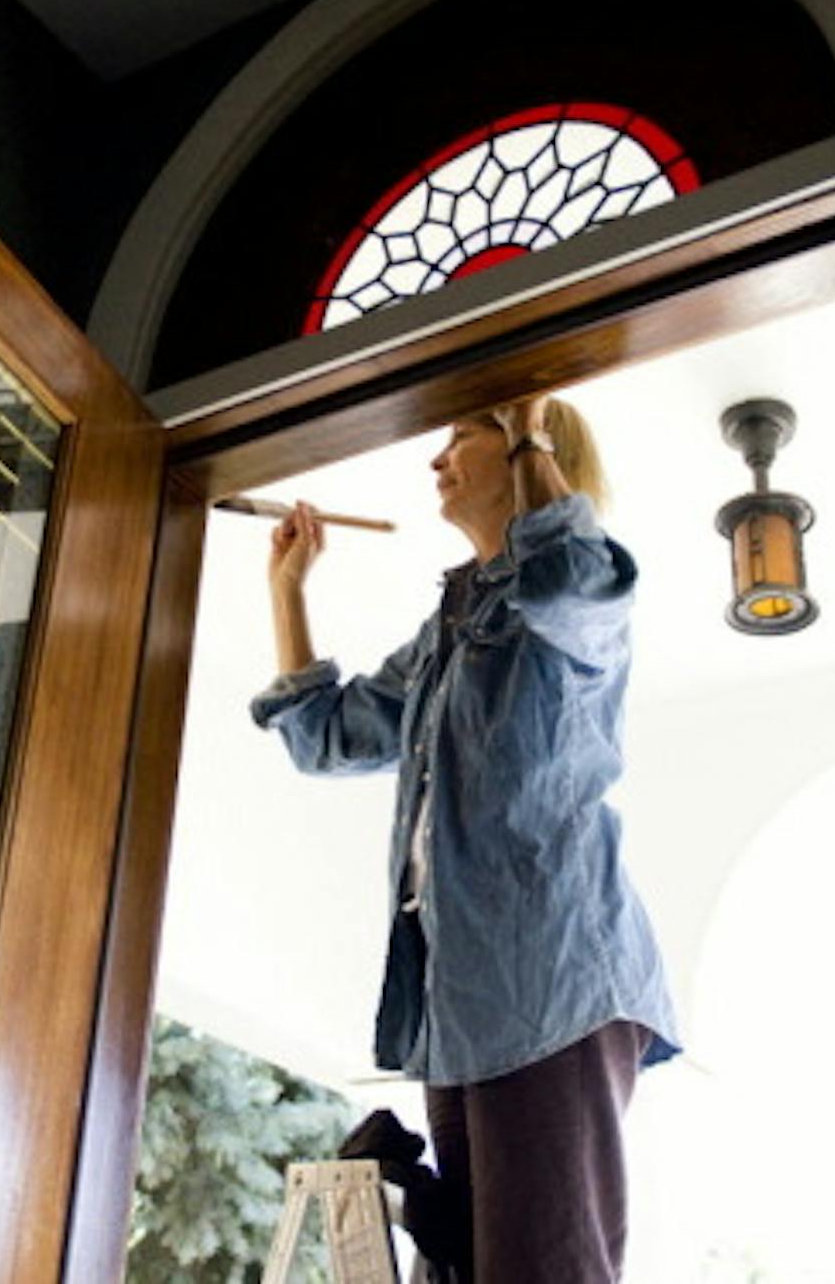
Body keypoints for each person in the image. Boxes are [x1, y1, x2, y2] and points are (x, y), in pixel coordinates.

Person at [251, 393, 679, 1283]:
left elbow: (563, 572)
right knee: (470, 1264)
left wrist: (524, 426)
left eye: (461, 436)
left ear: (532, 449)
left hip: (552, 982)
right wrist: (288, 590)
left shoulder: (576, 595)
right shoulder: (449, 625)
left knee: (542, 1267)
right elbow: (327, 738)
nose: (437, 458)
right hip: (459, 1003)